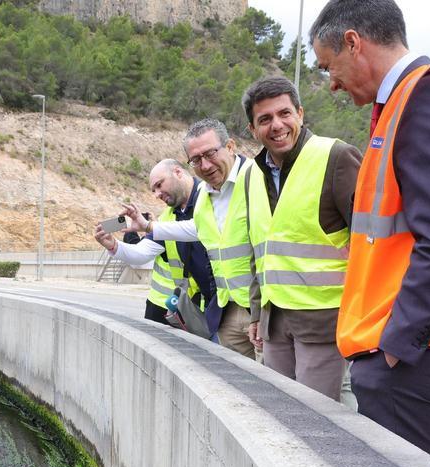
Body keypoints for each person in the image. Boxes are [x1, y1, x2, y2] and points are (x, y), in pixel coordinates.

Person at [311, 0, 430, 467]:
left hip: (418, 348)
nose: (332, 82)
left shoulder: (425, 98)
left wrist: (397, 348)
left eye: (328, 66)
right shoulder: (417, 97)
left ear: (354, 43)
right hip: (427, 343)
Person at [239, 76, 362, 401]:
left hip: (323, 322)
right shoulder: (252, 173)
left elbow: (371, 242)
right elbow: (259, 250)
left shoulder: (336, 157)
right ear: (253, 129)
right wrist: (256, 312)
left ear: (301, 114)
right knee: (282, 416)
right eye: (264, 119)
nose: (276, 125)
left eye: (284, 114)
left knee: (316, 421)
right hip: (274, 320)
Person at [118, 119, 257, 357]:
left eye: (210, 153)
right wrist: (146, 227)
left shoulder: (255, 179)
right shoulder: (206, 195)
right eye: (196, 160)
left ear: (231, 146)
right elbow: (195, 228)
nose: (204, 164)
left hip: (261, 306)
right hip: (225, 308)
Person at [94, 159, 219, 335]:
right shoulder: (168, 216)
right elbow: (141, 253)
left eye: (159, 185)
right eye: (153, 190)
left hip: (231, 301)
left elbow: (199, 228)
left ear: (178, 172)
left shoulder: (211, 195)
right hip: (197, 306)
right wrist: (114, 246)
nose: (157, 194)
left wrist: (148, 226)